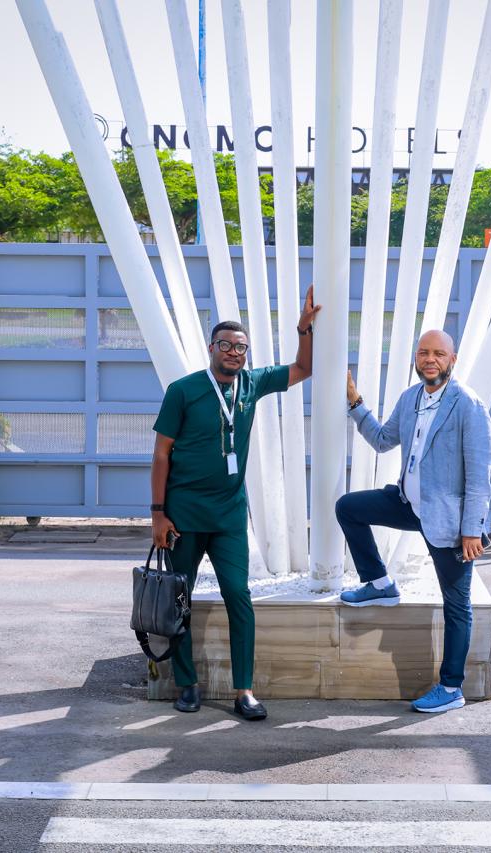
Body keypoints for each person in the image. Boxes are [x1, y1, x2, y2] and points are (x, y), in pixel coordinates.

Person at [151, 288, 321, 721]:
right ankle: (187, 684)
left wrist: (304, 329)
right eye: (225, 345)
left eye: (240, 347)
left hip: (228, 514)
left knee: (238, 595)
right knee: (179, 597)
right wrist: (157, 513)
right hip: (184, 514)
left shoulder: (252, 383)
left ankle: (244, 690)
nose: (233, 352)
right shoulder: (183, 391)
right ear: (211, 348)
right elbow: (161, 454)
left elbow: (304, 368)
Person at [336, 330, 491, 714]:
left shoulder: (468, 405)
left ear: (452, 360)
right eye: (424, 352)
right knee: (348, 508)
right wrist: (355, 403)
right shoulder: (410, 399)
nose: (430, 359)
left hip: (450, 521)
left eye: (438, 353)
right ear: (416, 358)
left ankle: (451, 687)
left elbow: (479, 477)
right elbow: (382, 440)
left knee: (456, 605)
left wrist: (472, 529)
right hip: (409, 504)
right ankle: (380, 584)